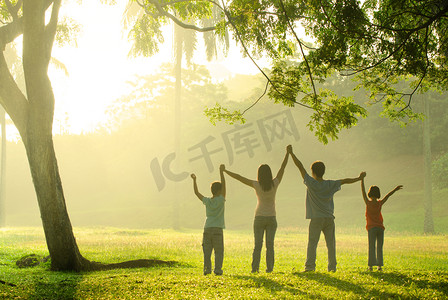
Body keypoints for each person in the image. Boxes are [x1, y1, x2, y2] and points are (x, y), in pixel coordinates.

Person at [287, 145, 365, 272]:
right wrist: (359, 178)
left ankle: (310, 267)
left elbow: (300, 167)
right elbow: (345, 181)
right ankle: (332, 268)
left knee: (312, 243)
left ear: (312, 172)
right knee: (331, 245)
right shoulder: (330, 184)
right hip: (329, 218)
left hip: (316, 219)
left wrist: (291, 153)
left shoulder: (311, 183)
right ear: (323, 171)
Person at [223, 146, 289, 273]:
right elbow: (282, 168)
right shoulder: (275, 183)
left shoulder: (256, 185)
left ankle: (255, 269)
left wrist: (226, 171)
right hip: (271, 218)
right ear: (270, 174)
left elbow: (239, 177)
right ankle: (269, 269)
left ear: (259, 174)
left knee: (257, 245)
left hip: (258, 218)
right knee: (270, 245)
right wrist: (287, 153)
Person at [361, 174, 403, 271]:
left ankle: (370, 266)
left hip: (371, 228)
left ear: (370, 194)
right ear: (378, 194)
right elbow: (388, 196)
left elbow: (362, 191)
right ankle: (379, 267)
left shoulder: (368, 203)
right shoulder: (379, 203)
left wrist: (362, 180)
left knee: (371, 246)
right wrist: (395, 189)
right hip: (380, 228)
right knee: (379, 247)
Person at [191, 164, 226, 275]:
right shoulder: (221, 199)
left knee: (207, 252)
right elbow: (224, 185)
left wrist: (194, 180)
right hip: (217, 229)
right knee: (218, 251)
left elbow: (196, 193)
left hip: (207, 228)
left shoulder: (207, 201)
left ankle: (207, 270)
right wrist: (221, 172)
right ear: (220, 190)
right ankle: (218, 270)